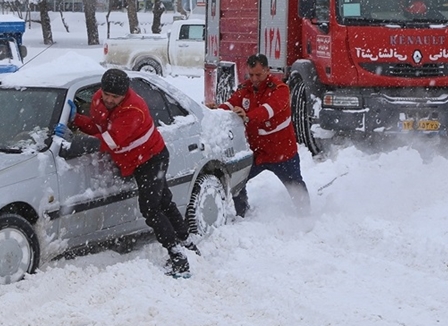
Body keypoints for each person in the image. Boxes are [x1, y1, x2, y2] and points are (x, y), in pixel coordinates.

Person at [62, 68, 197, 278]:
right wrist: (76, 119)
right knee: (163, 201)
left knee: (151, 209)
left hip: (152, 159)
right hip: (134, 161)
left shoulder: (134, 109)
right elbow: (99, 127)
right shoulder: (99, 99)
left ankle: (178, 255)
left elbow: (108, 141)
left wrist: (75, 144)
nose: (108, 99)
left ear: (124, 94)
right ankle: (186, 240)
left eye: (114, 97)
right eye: (106, 94)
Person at [219, 54, 310, 217]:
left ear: (268, 71)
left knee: (296, 186)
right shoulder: (245, 88)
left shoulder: (280, 89)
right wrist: (216, 110)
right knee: (238, 182)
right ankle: (242, 214)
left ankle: (306, 217)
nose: (254, 79)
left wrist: (247, 116)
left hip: (282, 153)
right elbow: (231, 103)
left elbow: (268, 110)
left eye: (258, 75)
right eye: (251, 75)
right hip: (256, 153)